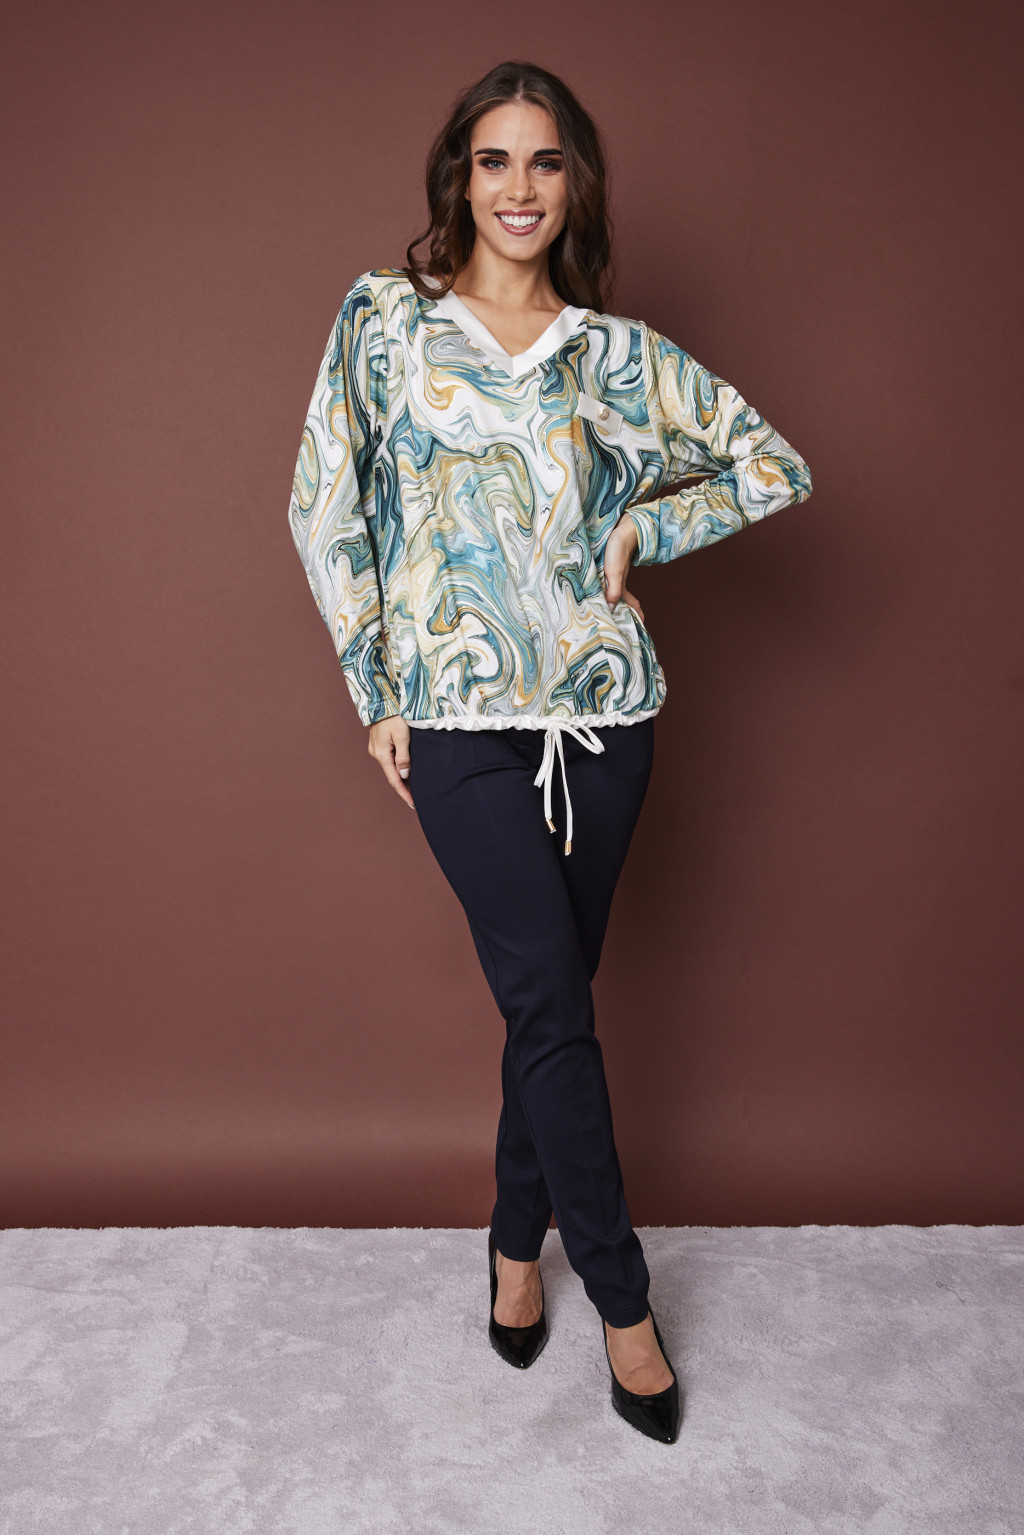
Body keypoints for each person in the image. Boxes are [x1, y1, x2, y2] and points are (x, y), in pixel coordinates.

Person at [287, 60, 812, 1446]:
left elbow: (774, 464)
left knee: (549, 1011)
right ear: (458, 179)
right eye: (493, 160)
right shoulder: (387, 321)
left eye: (546, 161)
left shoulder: (615, 356)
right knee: (554, 1009)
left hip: (604, 717)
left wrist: (649, 530)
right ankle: (627, 1310)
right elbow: (324, 504)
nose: (518, 188)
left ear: (575, 183)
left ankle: (516, 1246)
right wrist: (375, 687)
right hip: (456, 724)